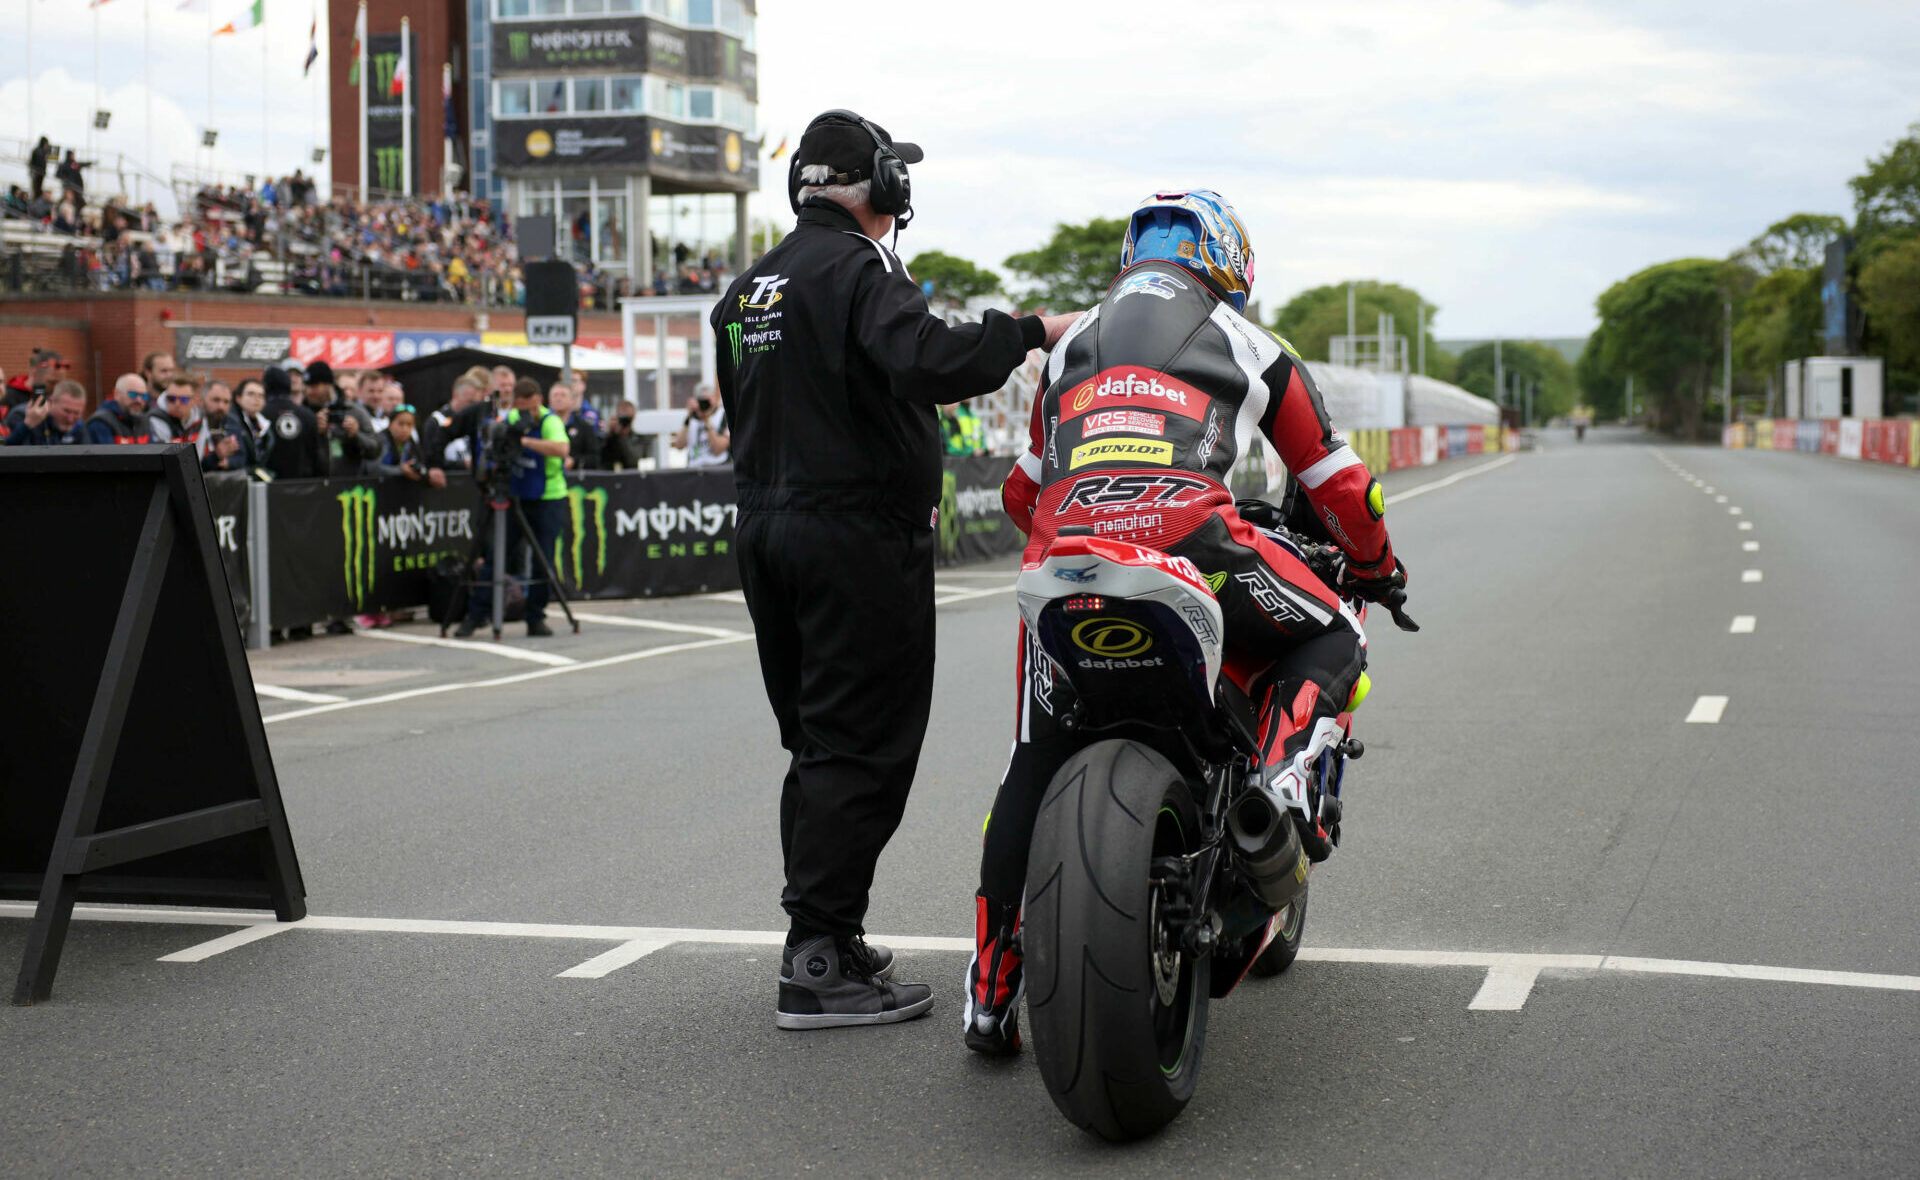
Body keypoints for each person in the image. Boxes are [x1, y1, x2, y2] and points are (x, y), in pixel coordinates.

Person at [961, 190, 1409, 1055]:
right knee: (1337, 637)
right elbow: (1338, 483)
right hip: (1195, 544)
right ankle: (1274, 792)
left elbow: (1021, 491)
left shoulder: (1071, 346)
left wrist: (1086, 525)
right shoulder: (1248, 342)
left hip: (1063, 562)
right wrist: (1379, 566)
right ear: (1232, 266)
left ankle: (989, 995)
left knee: (1030, 760)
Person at [712, 108, 1082, 1029]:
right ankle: (819, 957)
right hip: (854, 535)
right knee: (863, 743)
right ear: (879, 184)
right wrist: (1031, 329)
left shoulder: (750, 286)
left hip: (767, 526)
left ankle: (824, 930)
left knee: (818, 738)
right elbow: (925, 358)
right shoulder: (859, 263)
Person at [454, 377, 569, 639]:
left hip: (547, 498)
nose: (524, 412)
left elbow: (561, 449)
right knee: (496, 558)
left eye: (528, 407)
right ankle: (476, 615)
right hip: (516, 495)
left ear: (538, 400)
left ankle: (535, 617)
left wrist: (525, 442)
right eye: (520, 406)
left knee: (543, 560)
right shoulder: (513, 418)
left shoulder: (550, 421)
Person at [306, 360, 380, 477]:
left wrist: (355, 435)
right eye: (307, 386)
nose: (309, 391)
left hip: (348, 486)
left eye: (314, 386)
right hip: (315, 486)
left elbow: (375, 450)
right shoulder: (305, 412)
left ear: (328, 385)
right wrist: (318, 433)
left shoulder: (355, 411)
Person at [262, 366, 327, 479]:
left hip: (271, 487)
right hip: (306, 486)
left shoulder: (261, 415)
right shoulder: (309, 416)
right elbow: (318, 456)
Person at [196, 380, 259, 473]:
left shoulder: (232, 423)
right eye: (216, 400)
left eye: (226, 402)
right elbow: (191, 466)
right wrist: (216, 456)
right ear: (201, 401)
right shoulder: (193, 423)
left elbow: (242, 458)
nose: (221, 406)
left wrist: (229, 462)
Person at [3, 380, 89, 446]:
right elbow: (11, 453)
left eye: (77, 413)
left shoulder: (78, 425)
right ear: (51, 402)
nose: (70, 419)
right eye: (66, 411)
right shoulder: (23, 416)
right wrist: (27, 425)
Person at [85, 373, 153, 444]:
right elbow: (107, 454)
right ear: (116, 394)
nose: (139, 400)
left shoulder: (144, 421)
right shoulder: (101, 423)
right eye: (133, 394)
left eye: (144, 396)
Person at [549, 380, 602, 471]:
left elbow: (595, 458)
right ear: (549, 400)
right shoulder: (541, 424)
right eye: (555, 395)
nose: (558, 399)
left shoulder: (585, 427)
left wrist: (574, 461)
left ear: (572, 401)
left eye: (563, 395)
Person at [671, 388, 730, 467]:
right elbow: (679, 445)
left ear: (715, 399)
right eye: (701, 401)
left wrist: (706, 419)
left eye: (707, 401)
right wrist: (689, 416)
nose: (704, 404)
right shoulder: (692, 418)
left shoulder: (723, 416)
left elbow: (717, 449)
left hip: (718, 467)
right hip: (695, 468)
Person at [373, 408, 429, 481]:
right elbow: (373, 468)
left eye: (409, 425)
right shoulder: (380, 441)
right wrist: (401, 470)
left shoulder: (412, 444)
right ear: (390, 424)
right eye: (401, 424)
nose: (405, 429)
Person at [148, 375, 202, 445]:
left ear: (195, 401)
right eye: (172, 398)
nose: (177, 404)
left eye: (184, 399)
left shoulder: (200, 420)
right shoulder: (155, 418)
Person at [603, 399, 649, 470]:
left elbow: (634, 461)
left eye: (627, 418)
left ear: (633, 418)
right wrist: (608, 434)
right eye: (622, 417)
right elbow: (600, 458)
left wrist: (623, 437)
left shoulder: (639, 439)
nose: (624, 422)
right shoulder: (611, 437)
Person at [28, 137, 50, 203]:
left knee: (36, 189)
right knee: (37, 189)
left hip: (38, 173)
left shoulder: (38, 151)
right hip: (38, 173)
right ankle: (36, 201)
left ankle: (36, 200)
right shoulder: (41, 151)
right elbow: (38, 163)